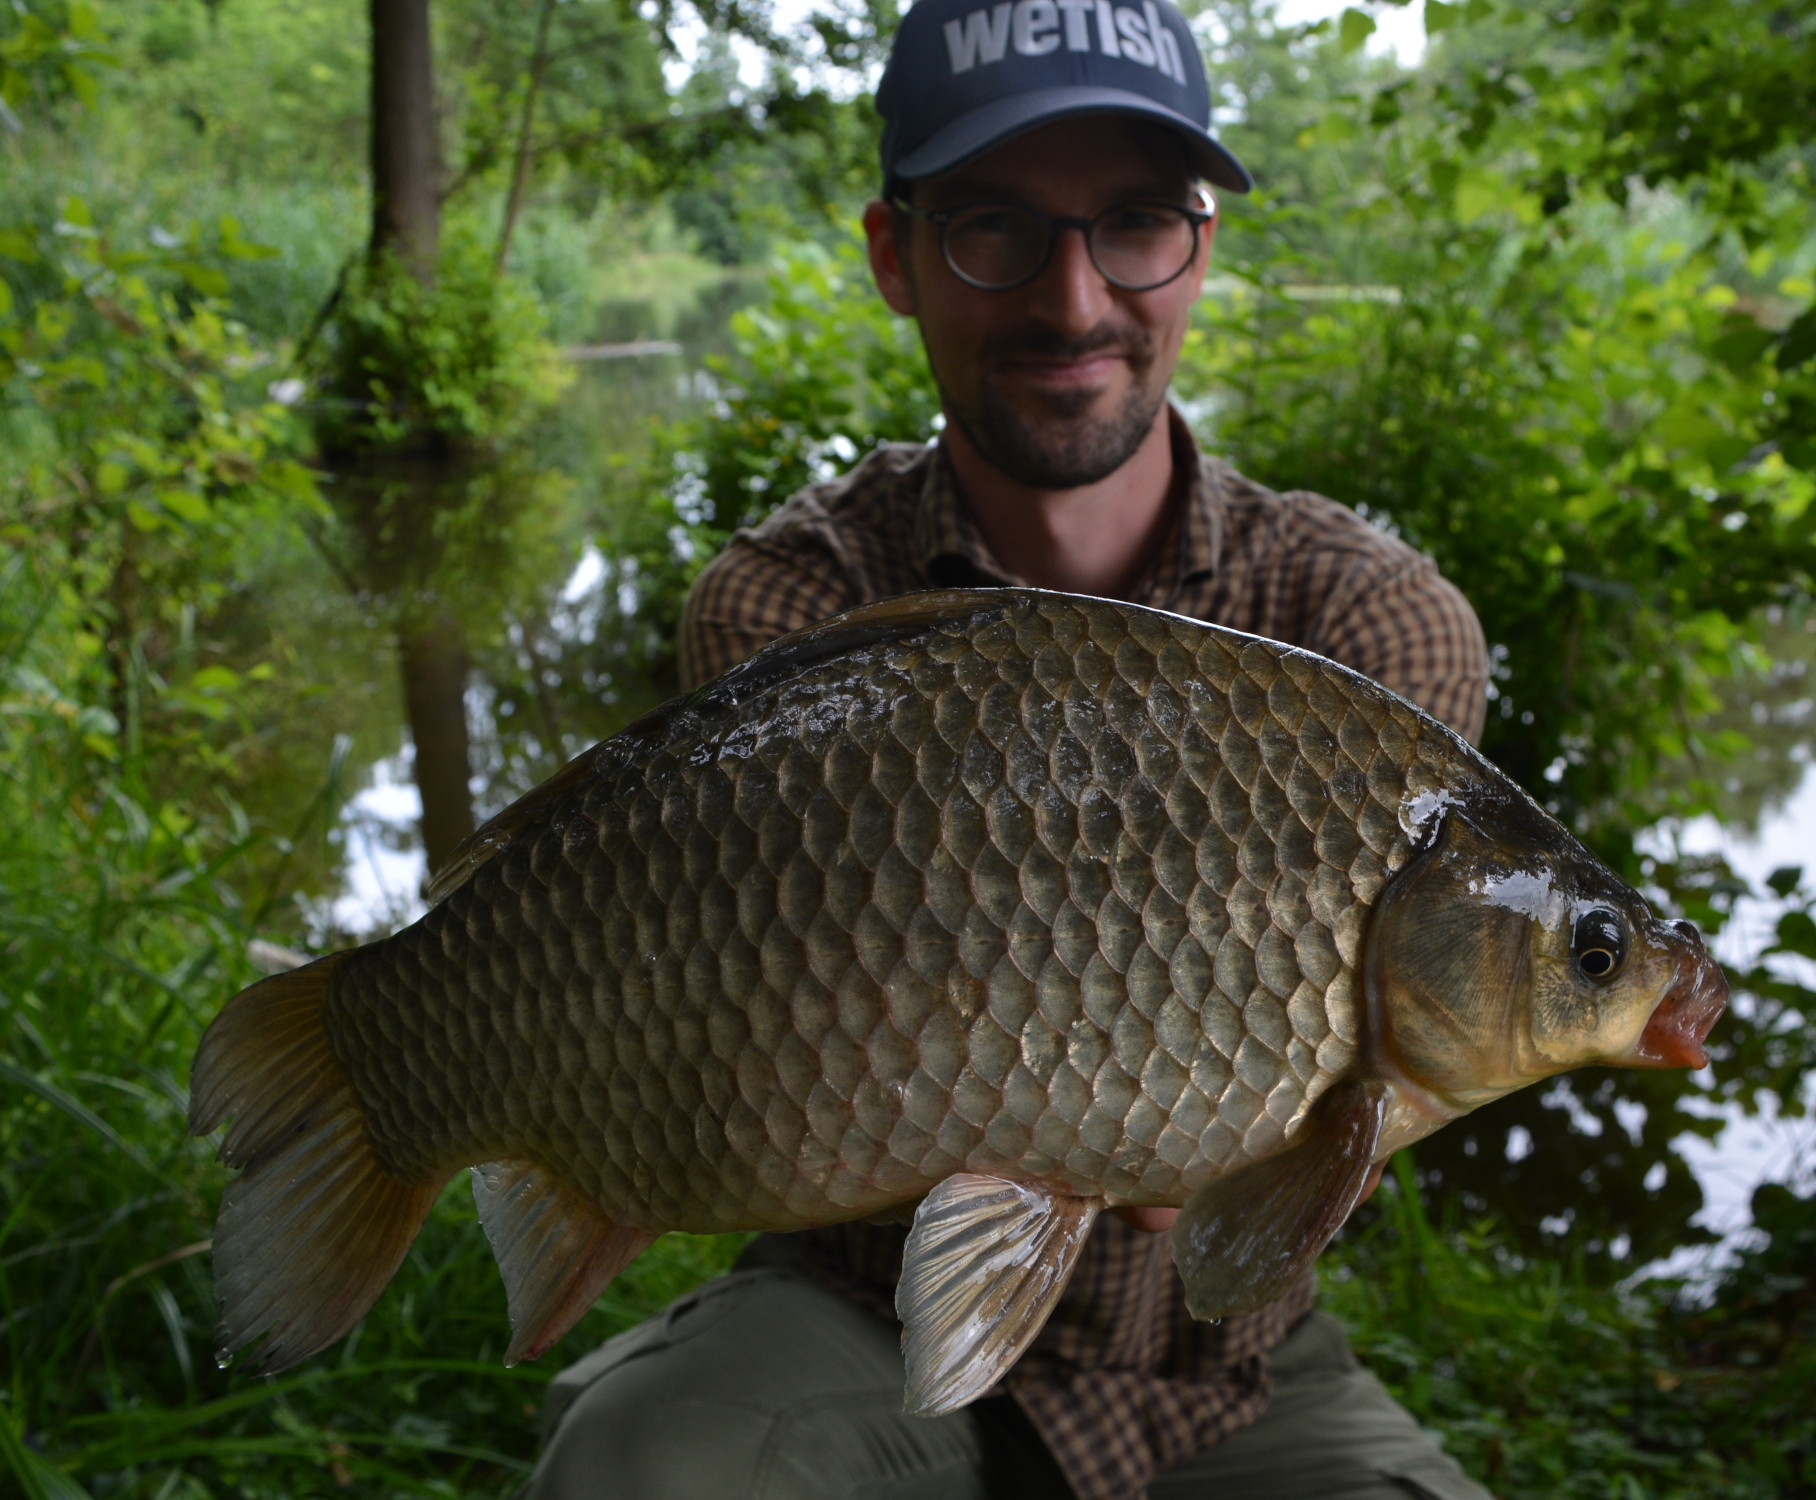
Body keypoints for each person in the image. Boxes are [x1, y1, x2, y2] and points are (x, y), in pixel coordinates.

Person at [522, 0, 1492, 1494]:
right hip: (859, 1318)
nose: (1074, 298)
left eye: (1136, 225)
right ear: (894, 256)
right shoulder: (791, 601)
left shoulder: (1369, 624)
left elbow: (1291, 1163)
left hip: (1222, 1368)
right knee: (651, 1464)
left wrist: (1232, 1150)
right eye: (993, 227)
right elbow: (768, 1071)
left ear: (1203, 245)